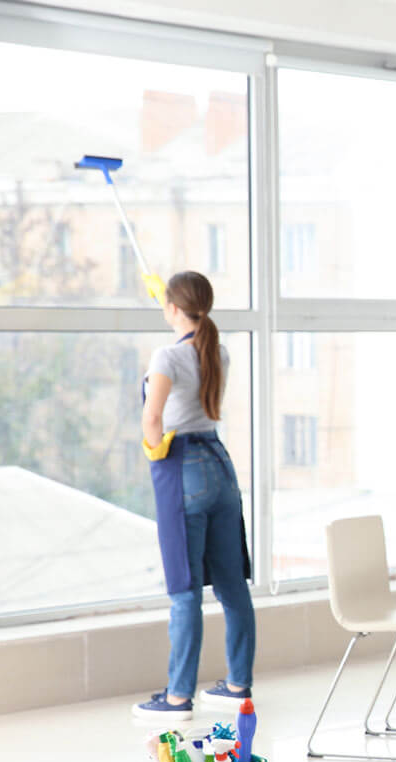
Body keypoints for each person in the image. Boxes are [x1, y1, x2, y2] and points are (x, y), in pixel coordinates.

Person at [132, 272, 256, 720]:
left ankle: (179, 697)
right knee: (231, 587)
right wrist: (169, 305)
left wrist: (154, 452)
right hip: (221, 469)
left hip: (183, 466)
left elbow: (153, 418)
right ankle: (238, 685)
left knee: (185, 590)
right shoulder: (216, 349)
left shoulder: (168, 355)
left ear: (172, 308)